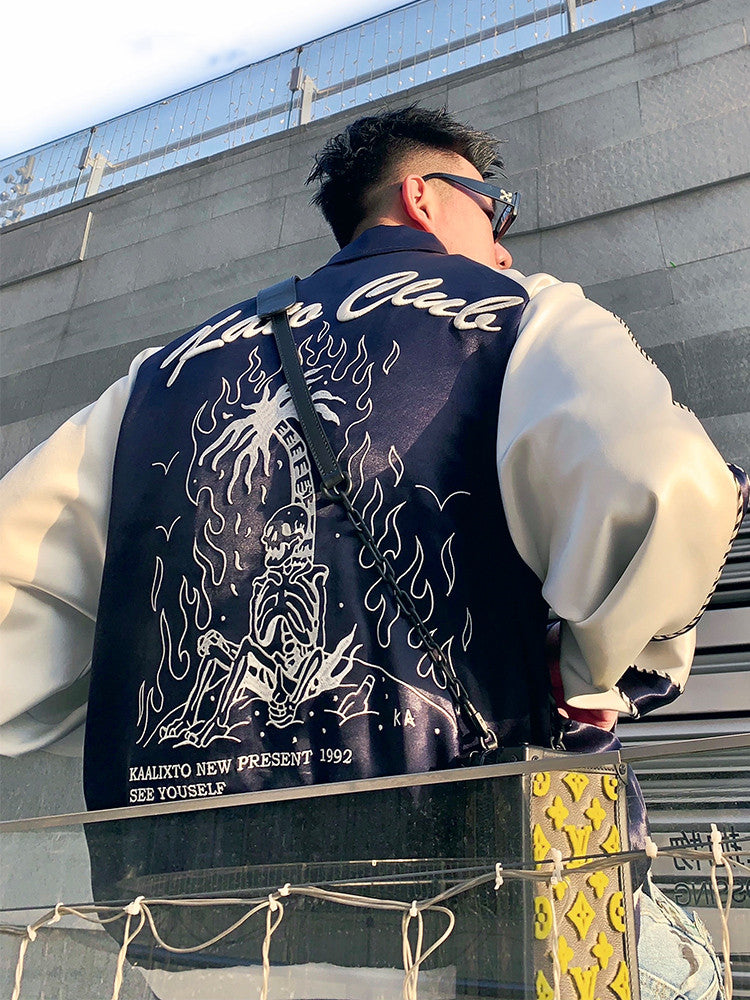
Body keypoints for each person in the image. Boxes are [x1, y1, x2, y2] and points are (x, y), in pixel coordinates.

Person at [0, 105, 746, 995]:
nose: (504, 244)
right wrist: (592, 677)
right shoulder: (519, 312)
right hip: (466, 909)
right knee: (690, 971)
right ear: (422, 197)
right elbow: (671, 480)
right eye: (495, 209)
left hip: (186, 930)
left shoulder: (155, 377)